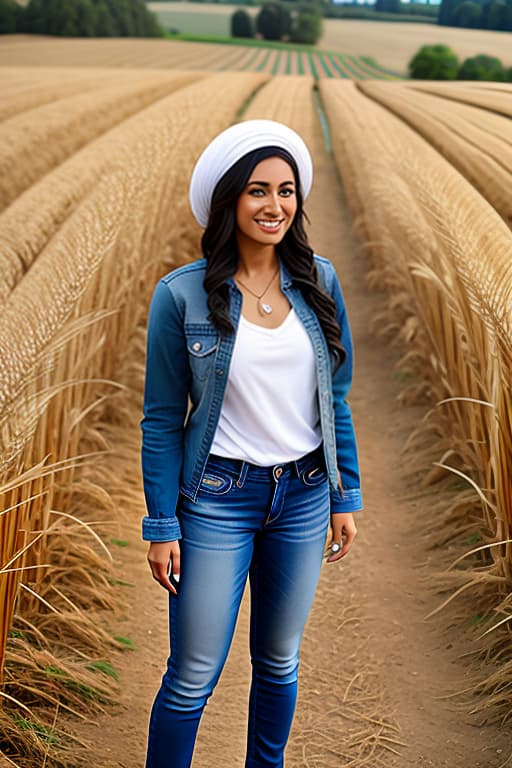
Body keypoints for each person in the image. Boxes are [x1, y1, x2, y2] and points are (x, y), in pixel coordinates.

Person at [140, 119, 363, 768]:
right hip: (215, 501)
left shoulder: (321, 282)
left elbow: (336, 399)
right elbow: (159, 419)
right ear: (230, 201)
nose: (275, 206)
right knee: (192, 674)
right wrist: (161, 524)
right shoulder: (180, 295)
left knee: (279, 661)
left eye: (286, 191)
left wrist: (344, 494)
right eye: (258, 191)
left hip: (302, 498)